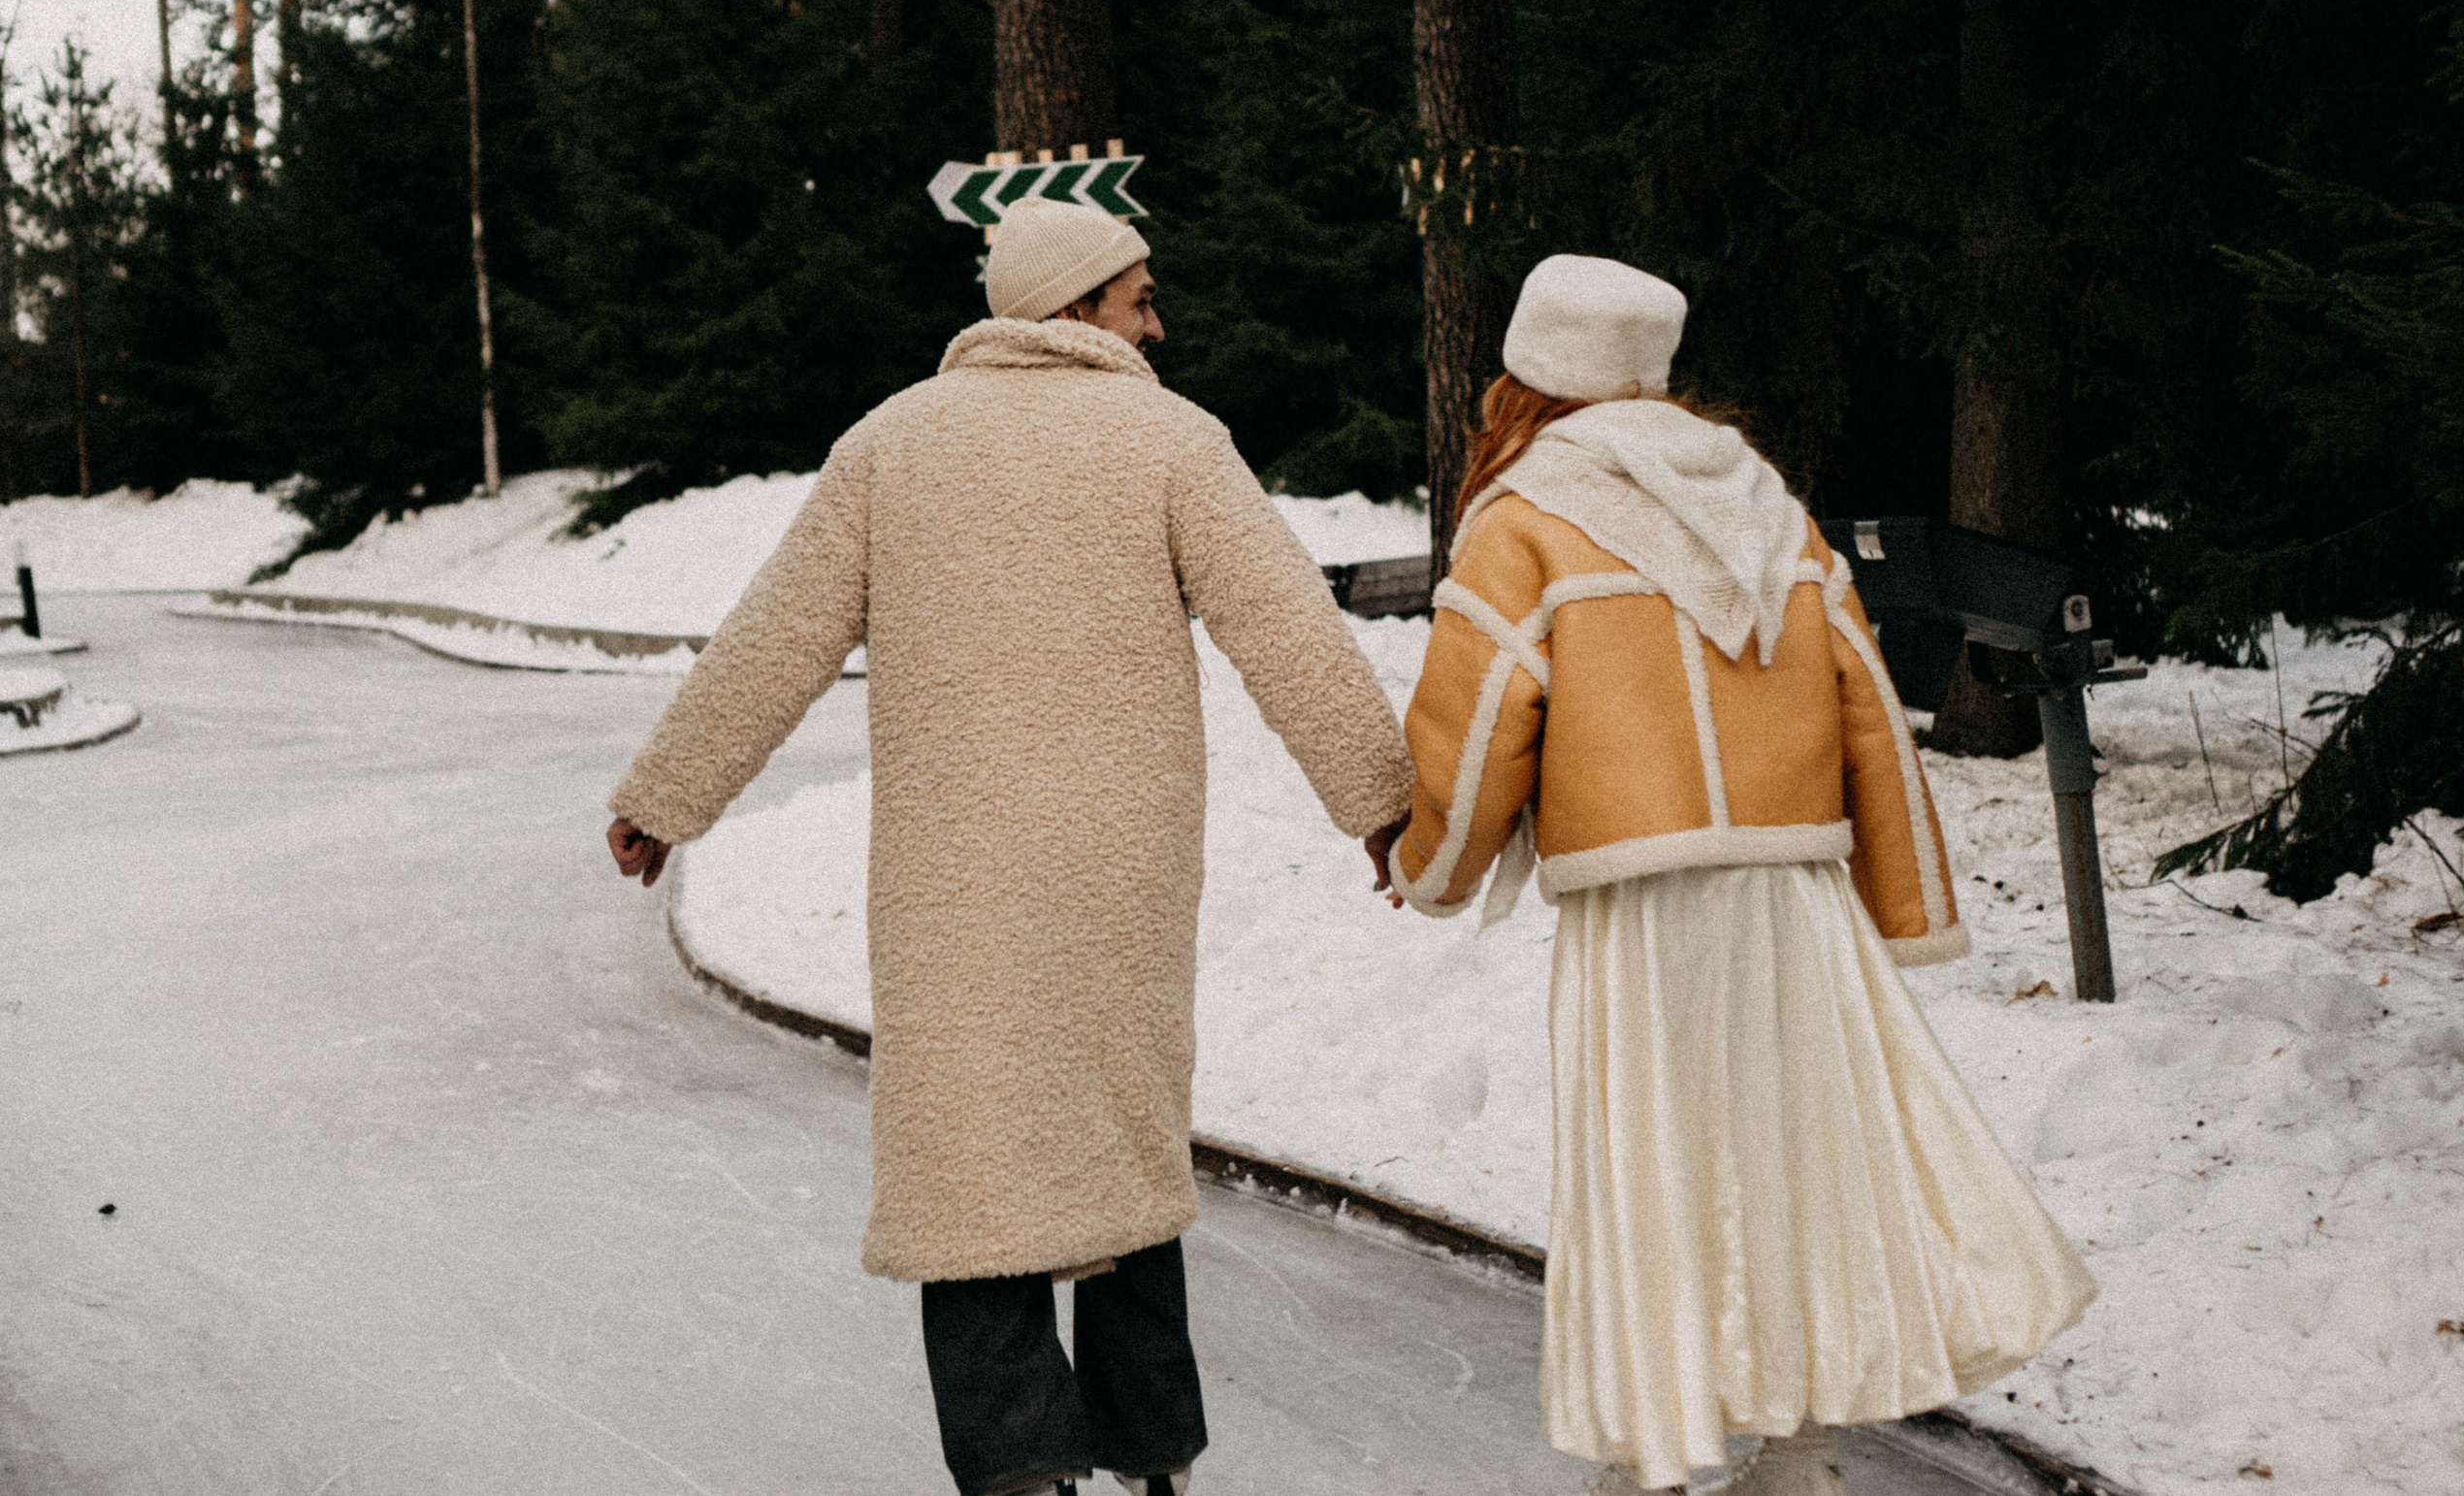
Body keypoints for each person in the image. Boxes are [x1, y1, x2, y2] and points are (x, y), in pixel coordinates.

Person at [605, 197, 1415, 1496]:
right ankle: (1154, 1455)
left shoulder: (891, 445)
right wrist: (1379, 798)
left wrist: (669, 791)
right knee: (1119, 1143)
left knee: (972, 1170)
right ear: (1076, 304)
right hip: (1122, 877)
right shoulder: (1172, 440)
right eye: (1140, 296)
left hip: (954, 888)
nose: (1159, 320)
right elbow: (1290, 629)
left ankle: (1020, 1471)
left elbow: (775, 637)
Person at [1385, 255, 2094, 1495]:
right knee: (1794, 1161)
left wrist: (1431, 866)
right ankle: (1800, 1449)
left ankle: (1657, 1453)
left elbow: (1480, 709)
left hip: (1640, 897)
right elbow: (1864, 695)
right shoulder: (1764, 501)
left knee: (1652, 1165)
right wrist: (1904, 896)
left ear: (1530, 372)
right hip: (1790, 893)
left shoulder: (1523, 515)